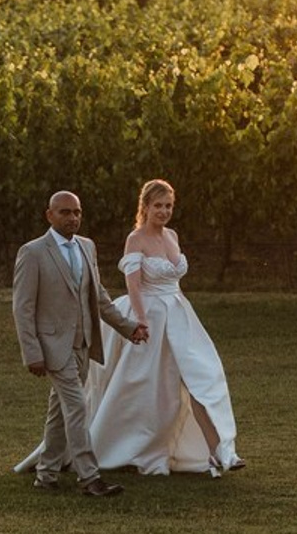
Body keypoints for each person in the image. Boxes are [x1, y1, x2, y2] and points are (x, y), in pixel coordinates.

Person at [14, 179, 244, 478]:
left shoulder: (164, 236)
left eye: (169, 206)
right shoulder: (132, 240)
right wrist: (139, 321)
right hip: (142, 318)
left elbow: (127, 291)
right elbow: (132, 286)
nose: (164, 211)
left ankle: (220, 451)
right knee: (127, 391)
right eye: (158, 205)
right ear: (145, 207)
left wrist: (175, 312)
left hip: (178, 316)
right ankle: (91, 465)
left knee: (202, 378)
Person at [11, 190, 148, 497]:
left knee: (60, 412)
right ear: (49, 215)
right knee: (76, 406)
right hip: (53, 347)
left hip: (83, 344)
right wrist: (32, 353)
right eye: (65, 212)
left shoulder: (87, 246)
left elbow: (98, 297)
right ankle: (89, 478)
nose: (72, 218)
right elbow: (22, 308)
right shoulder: (32, 252)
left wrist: (128, 328)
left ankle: (46, 474)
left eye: (77, 212)